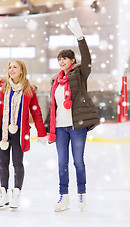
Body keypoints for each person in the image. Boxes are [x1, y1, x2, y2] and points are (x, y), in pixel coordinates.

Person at [0, 42, 47, 210]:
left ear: (22, 70)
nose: (11, 70)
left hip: (19, 132)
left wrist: (42, 132)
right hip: (2, 132)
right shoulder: (2, 85)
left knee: (17, 163)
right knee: (3, 163)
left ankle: (16, 195)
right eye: (9, 67)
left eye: (14, 67)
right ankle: (4, 195)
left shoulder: (29, 90)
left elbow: (36, 113)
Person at [44, 18, 100, 212]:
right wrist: (45, 129)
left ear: (72, 61)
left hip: (77, 126)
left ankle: (81, 193)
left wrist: (80, 38)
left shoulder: (80, 74)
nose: (61, 61)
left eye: (65, 58)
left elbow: (88, 60)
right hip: (59, 127)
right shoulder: (55, 81)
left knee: (78, 161)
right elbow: (53, 107)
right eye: (59, 59)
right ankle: (63, 197)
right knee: (62, 163)